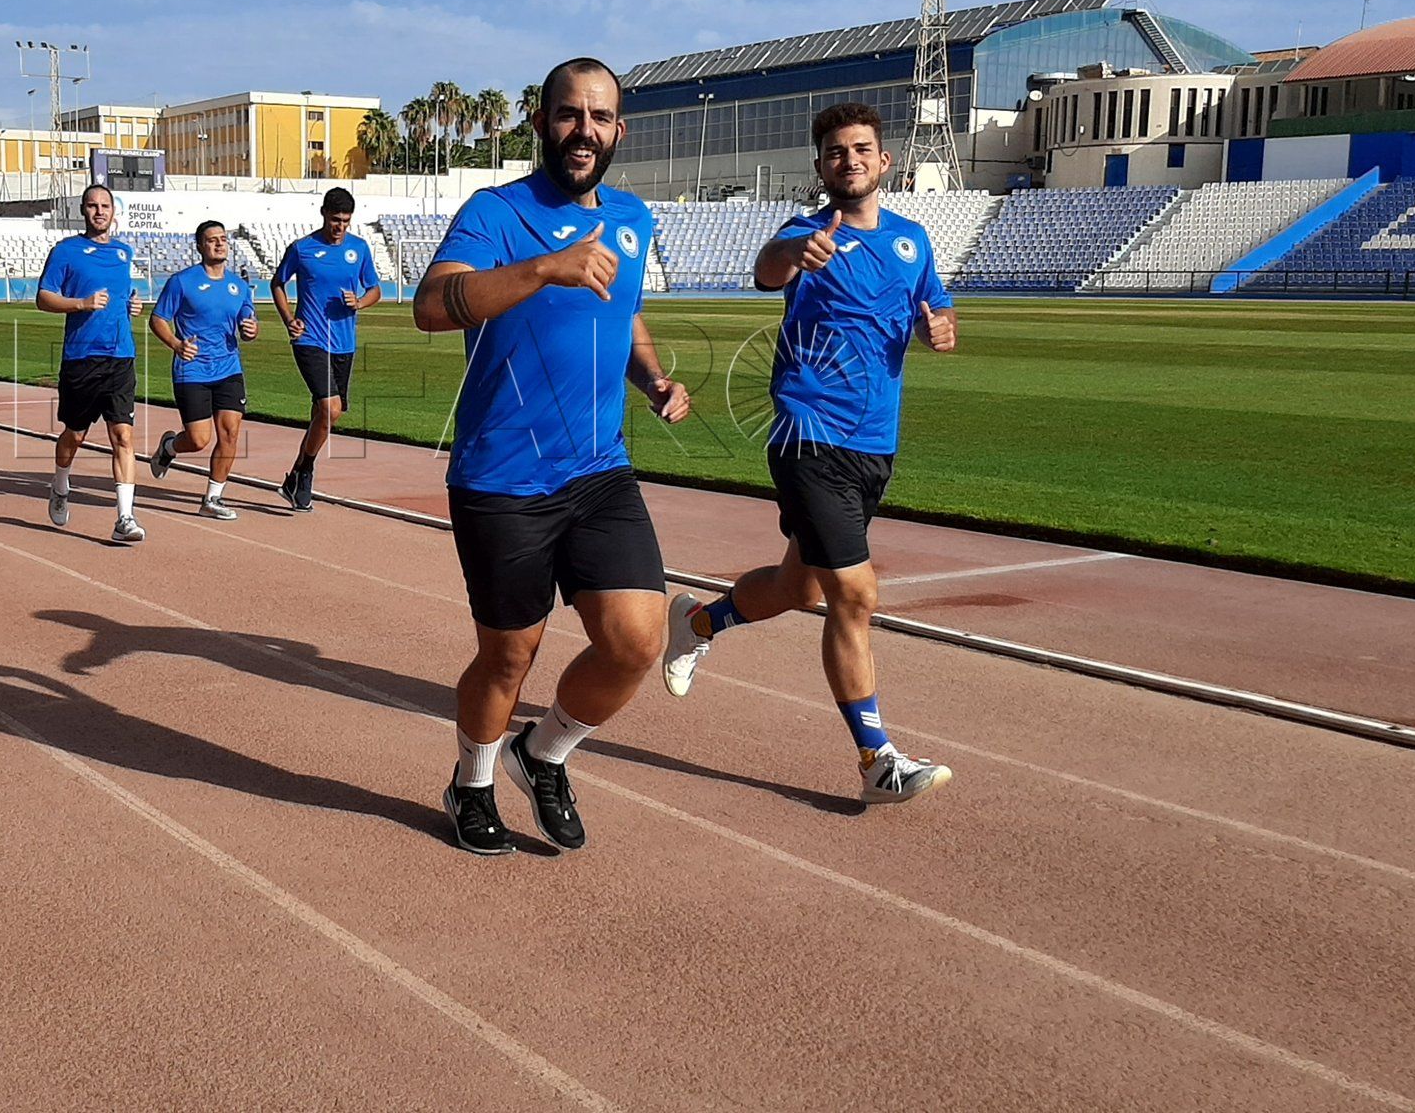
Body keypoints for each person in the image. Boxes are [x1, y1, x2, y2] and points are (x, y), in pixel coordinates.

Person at [413, 57, 690, 856]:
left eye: (599, 118)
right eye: (569, 114)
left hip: (599, 470)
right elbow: (431, 305)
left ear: (619, 131)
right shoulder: (496, 212)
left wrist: (653, 378)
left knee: (637, 642)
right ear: (541, 123)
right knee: (509, 658)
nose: (584, 131)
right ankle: (471, 784)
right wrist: (542, 269)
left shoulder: (632, 217)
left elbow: (624, 313)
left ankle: (544, 754)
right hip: (503, 477)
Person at [662, 102, 960, 805]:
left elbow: (933, 308)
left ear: (884, 160)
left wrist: (940, 329)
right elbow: (767, 270)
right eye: (835, 152)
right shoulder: (805, 233)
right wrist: (796, 255)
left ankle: (699, 623)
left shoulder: (913, 240)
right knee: (854, 593)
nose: (848, 160)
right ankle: (876, 761)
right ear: (820, 166)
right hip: (809, 436)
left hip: (874, 444)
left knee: (800, 588)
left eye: (860, 149)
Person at [36, 184, 146, 543]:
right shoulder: (65, 251)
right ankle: (60, 484)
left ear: (114, 211)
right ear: (83, 211)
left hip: (121, 356)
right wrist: (81, 304)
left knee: (123, 435)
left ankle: (125, 518)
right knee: (75, 434)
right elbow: (44, 298)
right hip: (81, 357)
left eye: (105, 206)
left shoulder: (124, 252)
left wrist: (132, 306)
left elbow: (122, 297)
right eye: (93, 206)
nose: (99, 212)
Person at [270, 187, 380, 511]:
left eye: (345, 221)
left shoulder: (358, 249)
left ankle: (296, 477)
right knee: (330, 409)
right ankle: (305, 470)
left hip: (344, 343)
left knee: (326, 414)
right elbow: (278, 283)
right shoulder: (302, 249)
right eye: (335, 220)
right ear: (323, 214)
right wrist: (289, 319)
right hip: (310, 340)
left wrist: (359, 302)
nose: (339, 227)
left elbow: (375, 289)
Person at [147, 220, 259, 521]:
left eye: (223, 239)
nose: (219, 244)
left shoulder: (239, 286)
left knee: (230, 432)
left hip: (228, 367)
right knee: (198, 440)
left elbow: (249, 322)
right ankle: (170, 447)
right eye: (212, 240)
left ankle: (212, 498)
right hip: (193, 369)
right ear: (200, 246)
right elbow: (158, 319)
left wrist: (251, 330)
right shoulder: (182, 282)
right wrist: (176, 344)